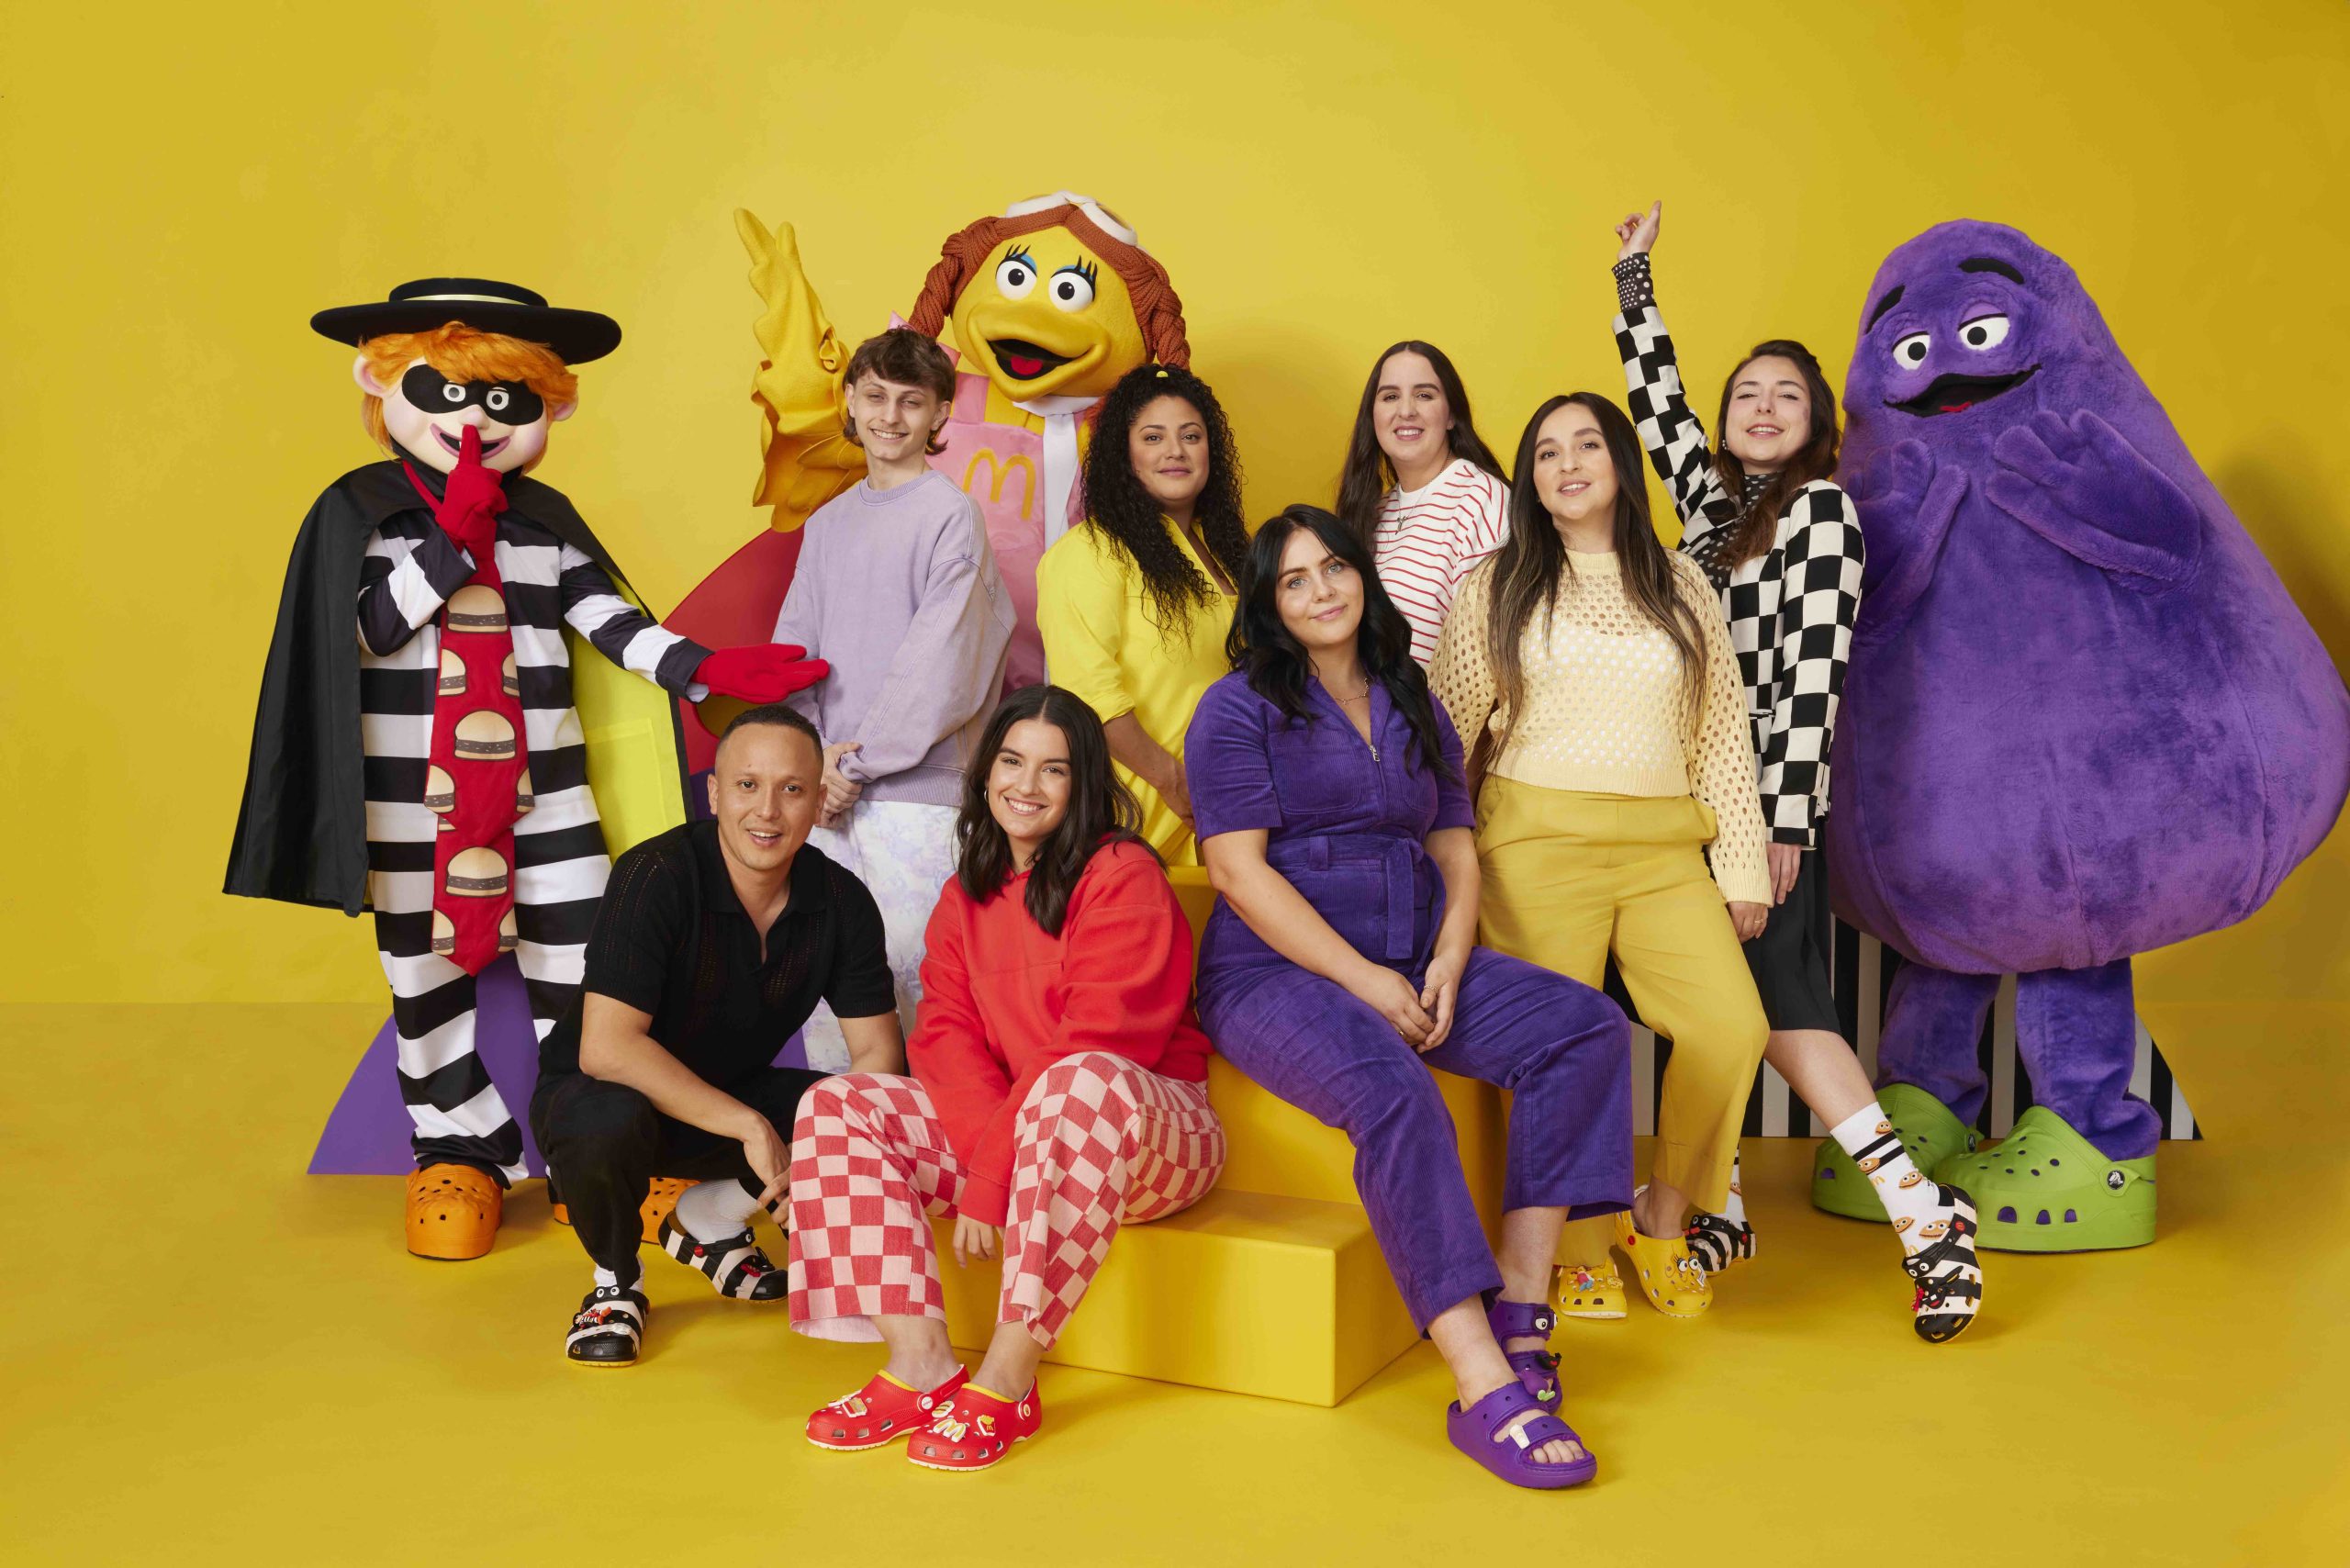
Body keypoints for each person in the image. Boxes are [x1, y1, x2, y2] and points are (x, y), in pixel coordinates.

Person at [224, 278, 826, 1261]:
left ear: (551, 408)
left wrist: (704, 669)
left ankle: (594, 1151)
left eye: (507, 399)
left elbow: (611, 624)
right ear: (380, 385)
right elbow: (366, 630)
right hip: (408, 803)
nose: (476, 418)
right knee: (423, 981)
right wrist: (451, 543)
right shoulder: (359, 515)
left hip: (549, 797)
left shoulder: (544, 522)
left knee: (590, 977)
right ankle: (457, 1150)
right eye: (448, 391)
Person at [1187, 507, 1631, 1491]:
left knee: (1585, 1029)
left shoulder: (1408, 691)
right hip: (1275, 973)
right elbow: (1236, 872)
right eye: (1293, 579)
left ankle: (1520, 1312)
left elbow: (1453, 841)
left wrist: (1450, 954)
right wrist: (1363, 978)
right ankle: (1480, 1384)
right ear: (1267, 603)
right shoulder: (1237, 707)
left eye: (1334, 568)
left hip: (1417, 952)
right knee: (1394, 1089)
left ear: (1362, 576)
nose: (1321, 591)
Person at [1606, 200, 1981, 1339]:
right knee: (1717, 1005)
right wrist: (1633, 282)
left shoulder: (1819, 512)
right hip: (1686, 802)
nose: (1761, 408)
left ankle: (1920, 1214)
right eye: (1746, 395)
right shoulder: (1713, 514)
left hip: (1757, 808)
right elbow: (1656, 407)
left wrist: (1781, 824)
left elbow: (1813, 672)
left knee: (1773, 1007)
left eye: (1786, 395)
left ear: (1817, 423)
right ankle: (1722, 1204)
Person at [790, 686, 1225, 1471]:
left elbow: (1096, 1039)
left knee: (1079, 1080)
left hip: (1152, 1136)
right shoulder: (965, 896)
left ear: (1083, 782)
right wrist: (998, 1158)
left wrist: (991, 1180)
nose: (1027, 785)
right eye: (1012, 762)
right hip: (1029, 1133)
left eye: (1053, 769)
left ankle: (1007, 1380)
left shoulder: (1121, 873)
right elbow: (946, 1038)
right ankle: (921, 1364)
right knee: (837, 1103)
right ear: (987, 772)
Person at [1429, 392, 1771, 1323]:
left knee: (1730, 1027)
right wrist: (1438, 863)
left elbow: (1720, 735)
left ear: (1620, 463)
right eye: (1546, 452)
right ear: (1530, 478)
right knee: (1557, 1045)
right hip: (1532, 842)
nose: (1567, 464)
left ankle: (1660, 1217)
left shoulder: (1681, 583)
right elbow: (1445, 733)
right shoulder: (1494, 584)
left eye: (1586, 445)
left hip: (1664, 848)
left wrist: (1742, 870)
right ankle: (1574, 1246)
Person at [529, 705, 902, 1367]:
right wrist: (750, 1128)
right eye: (747, 785)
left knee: (864, 1108)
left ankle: (712, 1219)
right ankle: (615, 1283)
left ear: (818, 800)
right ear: (714, 793)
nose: (768, 811)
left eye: (792, 789)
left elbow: (879, 1057)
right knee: (604, 1116)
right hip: (603, 1096)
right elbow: (606, 1048)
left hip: (727, 1093)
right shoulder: (655, 875)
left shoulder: (842, 901)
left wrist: (830, 1155)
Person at [769, 327, 1016, 1071]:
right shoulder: (826, 525)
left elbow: (943, 661)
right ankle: (840, 1140)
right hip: (823, 796)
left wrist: (853, 766)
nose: (890, 415)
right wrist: (813, 763)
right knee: (823, 991)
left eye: (912, 402)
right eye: (875, 396)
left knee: (921, 989)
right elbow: (792, 653)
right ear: (850, 400)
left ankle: (931, 1142)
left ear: (940, 414)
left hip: (916, 798)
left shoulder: (950, 515)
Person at [1036, 364, 1248, 862]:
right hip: (1136, 819)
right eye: (1153, 437)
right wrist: (1173, 781)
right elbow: (1088, 696)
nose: (1175, 451)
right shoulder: (1089, 552)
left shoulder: (1231, 555)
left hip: (1230, 819)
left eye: (1191, 436)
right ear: (1123, 454)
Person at [1333, 342, 1513, 666]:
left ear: (1451, 415)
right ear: (1372, 415)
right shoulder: (1375, 510)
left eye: (1424, 395)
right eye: (1390, 396)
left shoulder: (1482, 499)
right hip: (1369, 698)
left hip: (1436, 701)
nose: (1406, 411)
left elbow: (1495, 649)